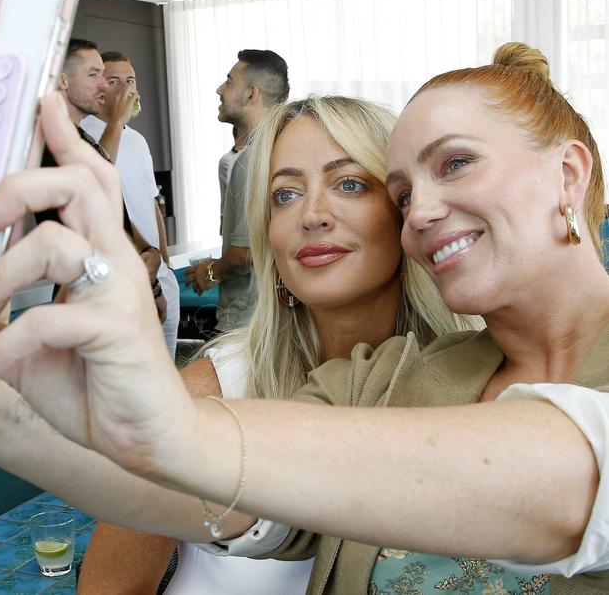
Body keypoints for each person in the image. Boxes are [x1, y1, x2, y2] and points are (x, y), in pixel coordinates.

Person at [0, 43, 605, 593]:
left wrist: (172, 429)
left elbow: (567, 479)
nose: (423, 212)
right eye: (404, 194)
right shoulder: (385, 379)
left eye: (457, 163)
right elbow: (223, 500)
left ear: (569, 175)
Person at [78, 96, 478, 594]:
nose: (312, 214)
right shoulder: (210, 394)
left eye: (350, 183)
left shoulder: (483, 386)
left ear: (406, 209)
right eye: (285, 195)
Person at [81, 51, 179, 360]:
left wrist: (165, 261)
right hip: (122, 276)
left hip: (158, 273)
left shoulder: (137, 139)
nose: (127, 89)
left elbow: (152, 203)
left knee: (171, 374)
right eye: (114, 81)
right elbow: (98, 185)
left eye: (131, 80)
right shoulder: (84, 135)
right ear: (99, 87)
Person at [186, 49, 289, 333]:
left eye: (229, 81)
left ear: (250, 94)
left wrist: (208, 273)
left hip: (244, 324)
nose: (220, 89)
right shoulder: (283, 147)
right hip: (274, 318)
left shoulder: (252, 158)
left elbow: (244, 255)